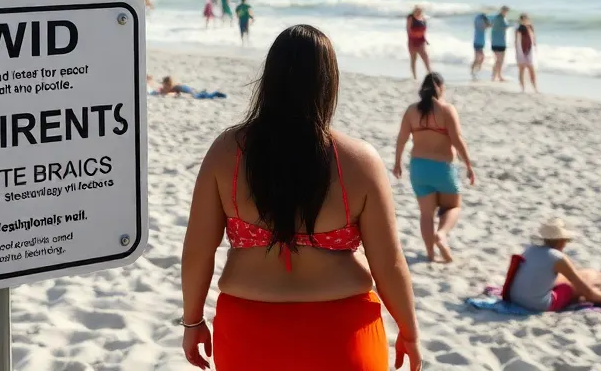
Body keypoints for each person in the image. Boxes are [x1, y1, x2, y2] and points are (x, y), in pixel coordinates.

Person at [180, 25, 422, 371]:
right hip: (343, 336)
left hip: (250, 335)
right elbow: (389, 263)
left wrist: (192, 322)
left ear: (269, 78)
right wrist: (409, 332)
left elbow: (197, 251)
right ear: (329, 82)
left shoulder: (226, 152)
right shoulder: (360, 160)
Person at [392, 73, 475, 262]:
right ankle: (442, 234)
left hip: (419, 168)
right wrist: (468, 164)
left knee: (426, 214)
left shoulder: (412, 111)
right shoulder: (446, 110)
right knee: (453, 206)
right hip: (443, 167)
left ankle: (430, 254)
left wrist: (397, 163)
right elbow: (457, 139)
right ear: (441, 88)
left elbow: (402, 138)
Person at [506, 219, 601, 311]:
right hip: (538, 305)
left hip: (515, 298)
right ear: (562, 241)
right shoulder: (557, 257)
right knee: (582, 280)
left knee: (579, 275)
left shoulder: (531, 249)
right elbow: (588, 293)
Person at [405, 6, 430, 80]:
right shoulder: (410, 18)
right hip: (412, 41)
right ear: (414, 11)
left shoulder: (423, 19)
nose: (418, 12)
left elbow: (424, 31)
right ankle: (414, 77)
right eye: (417, 11)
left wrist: (425, 39)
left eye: (420, 11)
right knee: (413, 59)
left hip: (421, 41)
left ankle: (430, 74)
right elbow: (408, 30)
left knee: (425, 57)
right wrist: (411, 41)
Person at [515, 13, 538, 93]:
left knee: (531, 69)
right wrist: (516, 53)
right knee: (522, 69)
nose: (524, 21)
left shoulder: (531, 28)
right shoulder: (519, 29)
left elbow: (533, 39)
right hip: (521, 50)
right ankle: (522, 88)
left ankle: (535, 88)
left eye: (525, 19)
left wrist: (535, 48)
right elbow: (516, 41)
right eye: (523, 20)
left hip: (530, 50)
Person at [488, 6, 511, 82]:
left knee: (499, 60)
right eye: (505, 11)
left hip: (498, 41)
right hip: (498, 42)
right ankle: (495, 76)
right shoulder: (501, 18)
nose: (505, 12)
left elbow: (489, 23)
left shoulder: (495, 17)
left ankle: (497, 75)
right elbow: (505, 27)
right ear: (502, 10)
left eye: (506, 11)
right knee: (499, 60)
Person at [471, 12, 490, 79]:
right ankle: (473, 71)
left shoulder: (480, 20)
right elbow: (487, 26)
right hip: (477, 42)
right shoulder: (479, 20)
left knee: (481, 58)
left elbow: (488, 26)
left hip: (480, 42)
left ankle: (475, 71)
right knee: (478, 58)